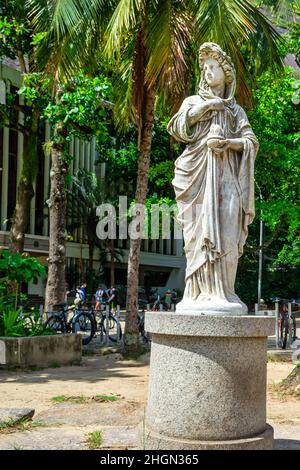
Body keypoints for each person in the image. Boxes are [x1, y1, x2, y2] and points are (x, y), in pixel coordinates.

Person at [167, 42, 258, 314]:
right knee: (197, 236)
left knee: (228, 230)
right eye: (204, 68)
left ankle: (225, 291)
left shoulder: (235, 111)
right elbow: (178, 127)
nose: (207, 72)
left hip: (227, 177)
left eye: (213, 67)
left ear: (225, 72)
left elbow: (250, 141)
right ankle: (197, 294)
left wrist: (229, 143)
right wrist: (209, 107)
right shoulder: (193, 102)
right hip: (196, 178)